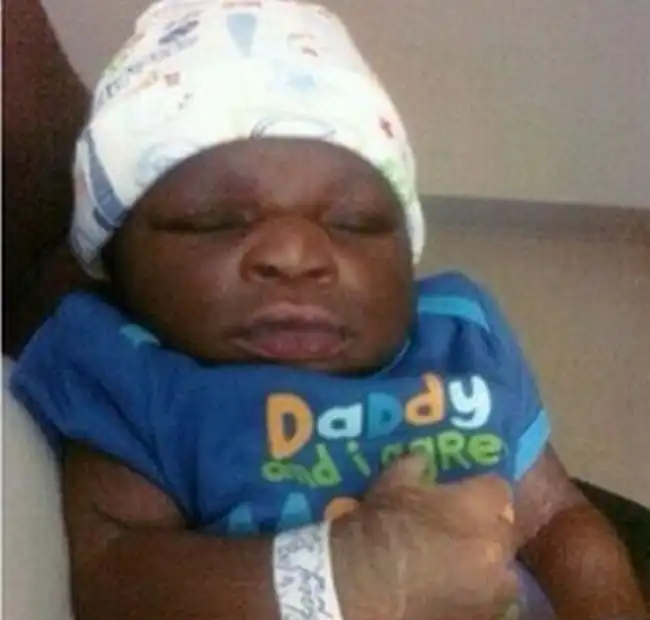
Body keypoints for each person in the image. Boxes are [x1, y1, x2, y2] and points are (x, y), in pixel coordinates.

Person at [5, 1, 647, 620]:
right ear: (114, 260)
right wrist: (349, 577)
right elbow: (114, 577)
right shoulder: (131, 379)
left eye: (355, 221)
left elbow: (558, 519)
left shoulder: (458, 338)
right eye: (213, 221)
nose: (295, 253)